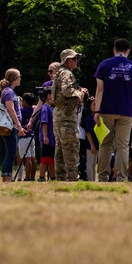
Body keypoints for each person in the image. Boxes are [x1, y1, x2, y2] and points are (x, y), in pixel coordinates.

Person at [93, 38, 132, 183]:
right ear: (128, 50)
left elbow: (99, 90)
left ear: (114, 49)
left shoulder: (104, 65)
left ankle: (102, 177)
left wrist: (97, 111)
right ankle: (121, 177)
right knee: (122, 146)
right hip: (126, 112)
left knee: (105, 145)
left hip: (106, 111)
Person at [52, 49, 88, 182]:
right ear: (67, 60)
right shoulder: (67, 73)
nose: (76, 61)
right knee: (71, 147)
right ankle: (72, 177)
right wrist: (81, 93)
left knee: (60, 149)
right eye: (74, 59)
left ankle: (60, 177)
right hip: (67, 116)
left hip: (58, 115)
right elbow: (67, 91)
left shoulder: (58, 74)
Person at [0, 68, 29, 182]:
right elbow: (11, 109)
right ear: (14, 78)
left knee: (10, 152)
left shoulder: (8, 91)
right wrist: (19, 125)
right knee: (11, 153)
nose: (20, 79)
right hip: (10, 126)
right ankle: (7, 177)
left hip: (11, 126)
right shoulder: (9, 92)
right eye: (19, 77)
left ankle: (6, 176)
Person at [17, 93, 38, 181]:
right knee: (33, 158)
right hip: (31, 136)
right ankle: (32, 177)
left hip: (23, 136)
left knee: (27, 158)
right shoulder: (33, 110)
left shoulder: (21, 110)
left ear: (24, 102)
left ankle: (27, 177)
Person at [39, 94, 56, 181]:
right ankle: (41, 176)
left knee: (51, 159)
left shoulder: (51, 108)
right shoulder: (45, 108)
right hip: (48, 138)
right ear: (48, 95)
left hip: (52, 138)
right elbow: (44, 122)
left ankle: (53, 177)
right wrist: (45, 136)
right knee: (45, 158)